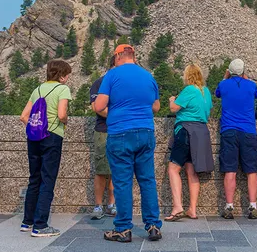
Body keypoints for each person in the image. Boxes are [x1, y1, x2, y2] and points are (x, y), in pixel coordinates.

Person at [93, 44, 162, 243]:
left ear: (117, 57)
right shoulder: (148, 75)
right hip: (145, 132)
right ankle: (153, 226)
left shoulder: (112, 76)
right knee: (147, 180)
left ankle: (123, 229)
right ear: (134, 56)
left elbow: (99, 105)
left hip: (120, 133)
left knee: (123, 182)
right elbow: (156, 106)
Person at [19, 60, 72, 237]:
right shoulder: (62, 89)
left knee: (34, 178)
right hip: (52, 136)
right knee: (47, 178)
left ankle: (27, 221)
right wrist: (64, 123)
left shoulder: (37, 89)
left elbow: (23, 116)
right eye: (68, 75)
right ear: (63, 75)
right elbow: (61, 114)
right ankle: (40, 225)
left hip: (34, 137)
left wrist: (36, 127)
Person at [165, 64, 213, 221]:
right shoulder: (206, 92)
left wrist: (172, 99)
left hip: (186, 131)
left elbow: (173, 108)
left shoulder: (189, 90)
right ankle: (192, 209)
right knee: (191, 171)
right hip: (201, 133)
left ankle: (177, 207)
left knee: (173, 168)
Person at [215, 59, 257, 220]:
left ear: (229, 71)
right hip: (248, 131)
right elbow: (256, 94)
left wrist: (225, 77)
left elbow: (217, 93)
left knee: (230, 170)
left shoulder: (224, 85)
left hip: (228, 131)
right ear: (243, 71)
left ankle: (229, 206)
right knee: (251, 170)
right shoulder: (251, 85)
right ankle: (253, 206)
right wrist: (245, 77)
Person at [88, 56, 116, 220]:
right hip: (104, 130)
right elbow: (96, 108)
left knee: (115, 170)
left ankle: (111, 204)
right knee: (101, 170)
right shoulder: (99, 83)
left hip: (119, 130)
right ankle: (98, 205)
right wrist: (117, 117)